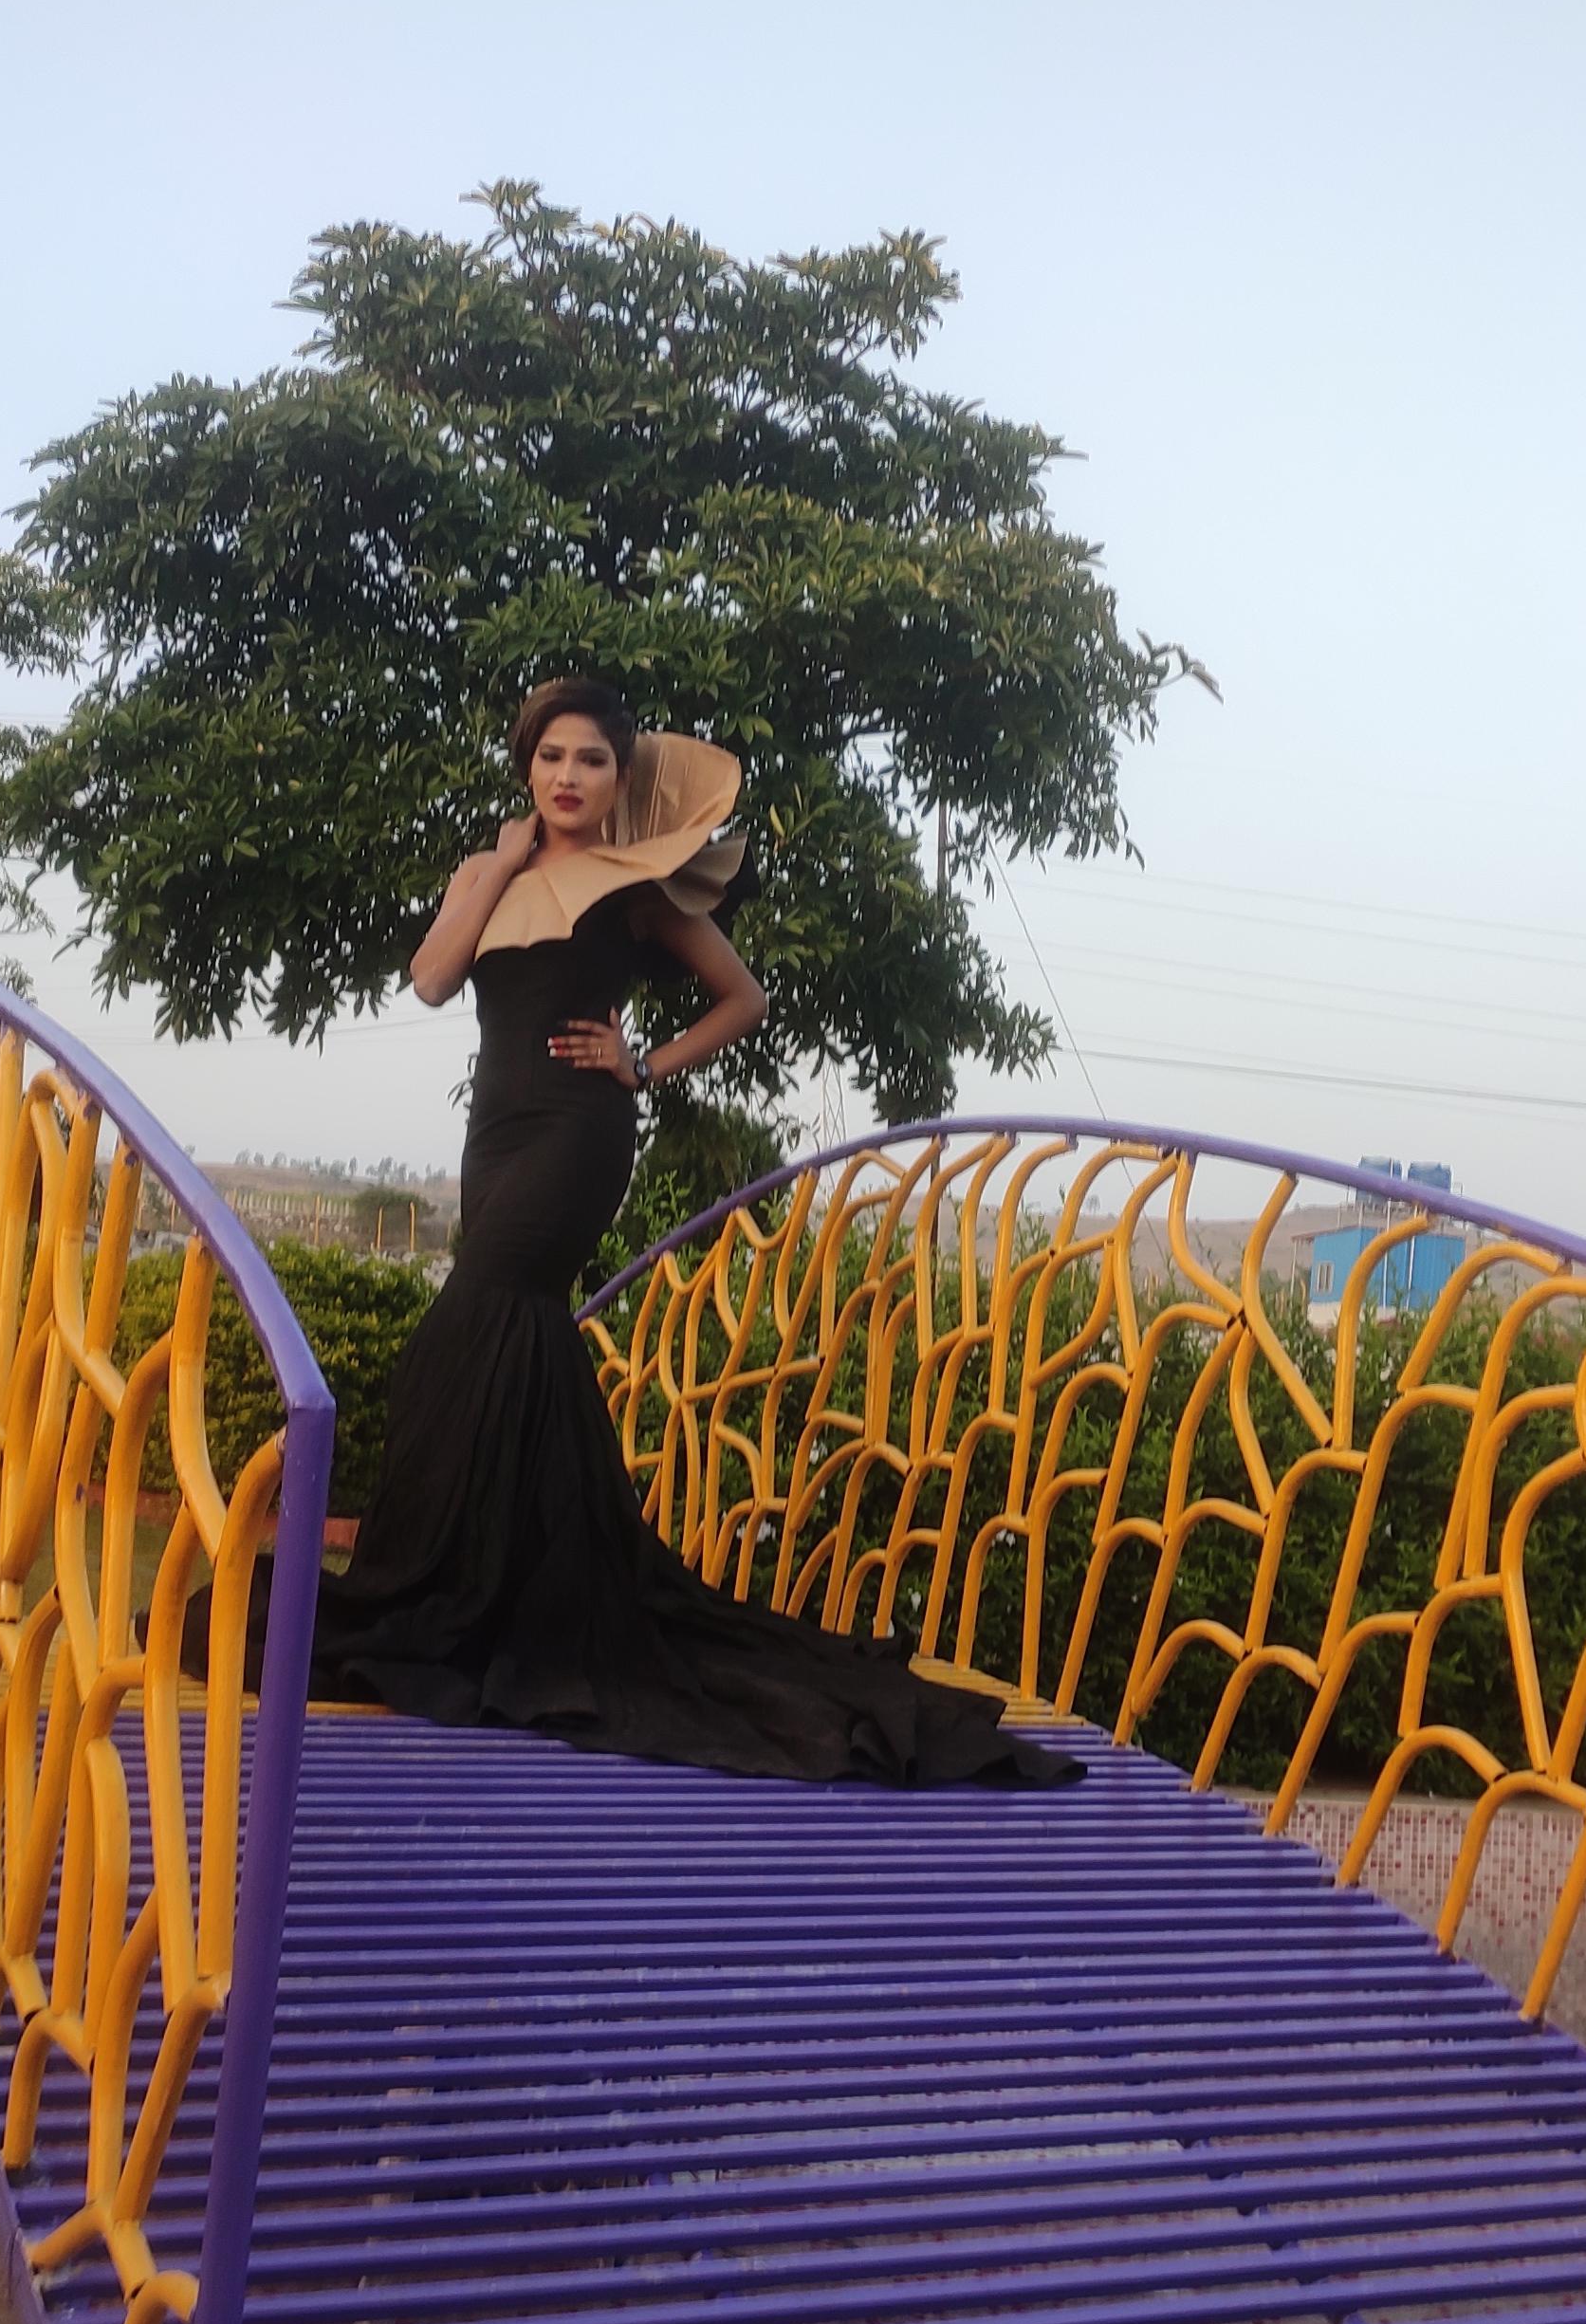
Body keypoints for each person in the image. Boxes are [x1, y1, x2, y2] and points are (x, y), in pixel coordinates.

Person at [303, 674, 1078, 1787]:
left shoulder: (638, 885)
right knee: (509, 1333)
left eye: (591, 760)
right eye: (551, 756)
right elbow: (431, 979)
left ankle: (459, 1588)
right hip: (495, 1131)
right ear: (527, 767)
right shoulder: (486, 870)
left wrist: (646, 1064)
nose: (569, 776)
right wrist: (504, 865)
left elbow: (743, 997)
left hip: (578, 1129)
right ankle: (513, 1589)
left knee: (479, 1318)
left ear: (619, 777)